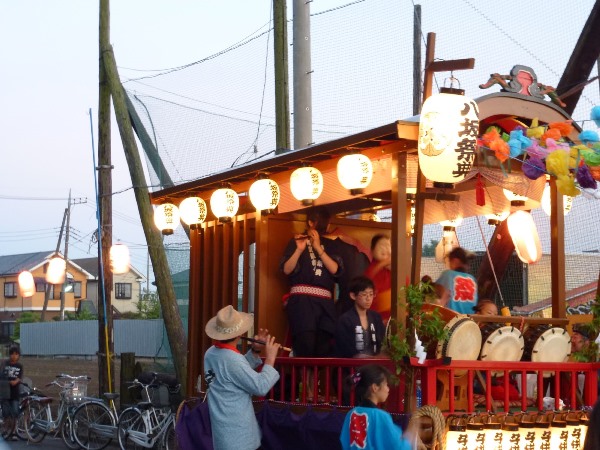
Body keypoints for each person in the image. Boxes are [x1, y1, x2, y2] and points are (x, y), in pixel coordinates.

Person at [203, 305, 281, 450]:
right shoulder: (232, 359)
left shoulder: (211, 353)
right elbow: (260, 386)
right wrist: (270, 358)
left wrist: (255, 350)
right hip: (239, 438)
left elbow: (235, 374)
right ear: (240, 333)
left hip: (224, 435)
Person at [281, 206, 344, 358]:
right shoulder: (297, 241)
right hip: (302, 302)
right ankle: (304, 380)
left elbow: (336, 270)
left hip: (325, 303)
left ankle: (316, 381)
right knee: (305, 344)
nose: (324, 226)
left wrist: (317, 247)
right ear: (310, 222)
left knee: (323, 346)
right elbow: (286, 269)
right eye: (321, 222)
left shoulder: (331, 244)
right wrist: (299, 250)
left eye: (326, 223)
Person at [340, 364, 415, 450]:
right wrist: (412, 431)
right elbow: (398, 447)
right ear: (375, 387)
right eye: (386, 385)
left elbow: (344, 442)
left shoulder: (351, 414)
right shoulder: (381, 416)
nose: (388, 389)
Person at [335, 276, 386, 358]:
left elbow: (382, 342)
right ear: (353, 296)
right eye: (364, 294)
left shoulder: (376, 317)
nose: (368, 298)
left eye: (371, 294)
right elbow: (344, 349)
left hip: (375, 366)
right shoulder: (345, 320)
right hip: (352, 367)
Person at [434, 247, 478, 314]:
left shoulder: (447, 274)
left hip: (452, 318)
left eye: (449, 261)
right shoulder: (472, 279)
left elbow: (434, 290)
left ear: (455, 261)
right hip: (469, 321)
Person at [364, 234, 392, 322]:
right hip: (374, 320)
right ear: (372, 250)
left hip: (391, 320)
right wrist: (383, 263)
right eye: (381, 245)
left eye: (388, 245)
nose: (385, 248)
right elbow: (367, 281)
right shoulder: (370, 270)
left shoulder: (391, 270)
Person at [0, 346, 23, 436]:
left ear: (18, 356)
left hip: (15, 392)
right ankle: (6, 429)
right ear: (10, 355)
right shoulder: (4, 364)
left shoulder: (19, 366)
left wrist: (16, 381)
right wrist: (9, 381)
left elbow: (20, 377)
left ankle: (13, 432)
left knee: (15, 412)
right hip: (5, 391)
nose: (14, 356)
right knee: (6, 412)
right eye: (12, 354)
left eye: (16, 354)